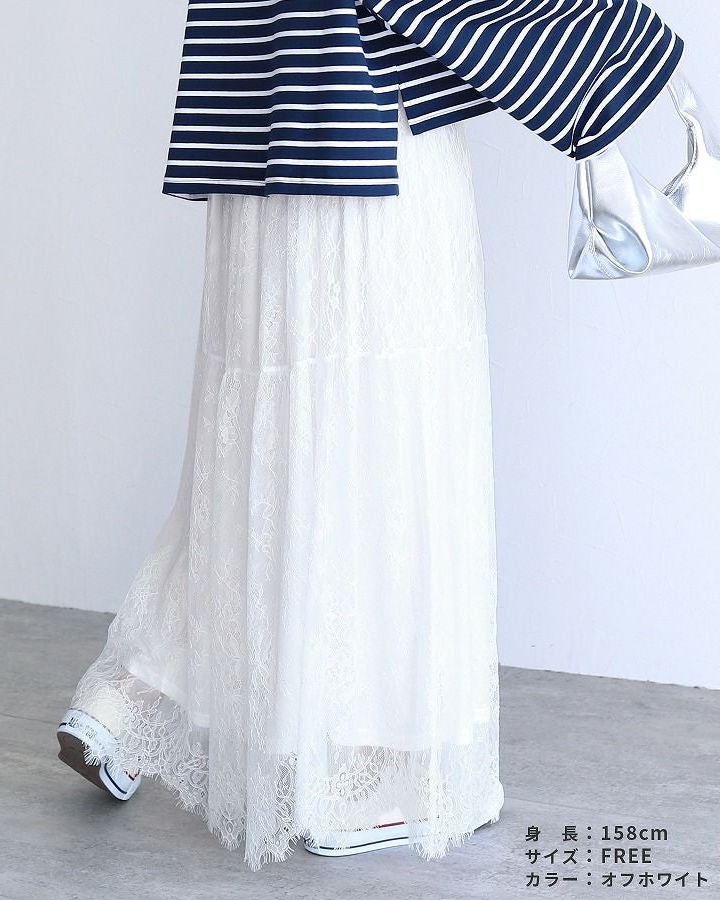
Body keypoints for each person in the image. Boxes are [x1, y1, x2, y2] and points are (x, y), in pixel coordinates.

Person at [56, 0, 683, 871]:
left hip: (256, 108)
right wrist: (612, 43)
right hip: (364, 121)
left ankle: (129, 695)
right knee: (374, 435)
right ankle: (354, 776)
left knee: (264, 448)